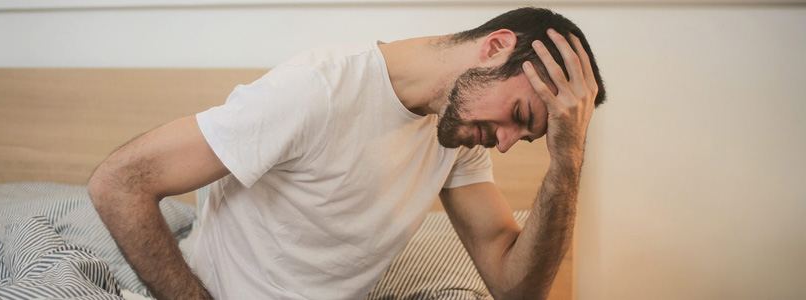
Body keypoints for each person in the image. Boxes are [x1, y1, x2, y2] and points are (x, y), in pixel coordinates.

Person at [88, 6, 606, 300]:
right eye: (518, 116)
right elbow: (119, 182)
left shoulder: (458, 135)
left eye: (530, 138)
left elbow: (514, 289)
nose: (508, 142)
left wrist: (567, 161)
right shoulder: (317, 90)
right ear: (494, 47)